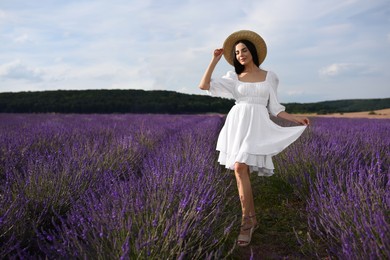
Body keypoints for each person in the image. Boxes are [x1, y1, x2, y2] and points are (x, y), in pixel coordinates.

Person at [198, 30, 310, 247]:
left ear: (253, 52)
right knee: (240, 169)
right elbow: (204, 86)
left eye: (244, 50)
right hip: (237, 124)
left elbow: (275, 108)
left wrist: (295, 119)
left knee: (240, 167)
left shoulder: (270, 76)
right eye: (237, 52)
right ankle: (248, 221)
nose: (241, 54)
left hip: (257, 125)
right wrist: (215, 59)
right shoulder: (233, 78)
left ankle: (248, 221)